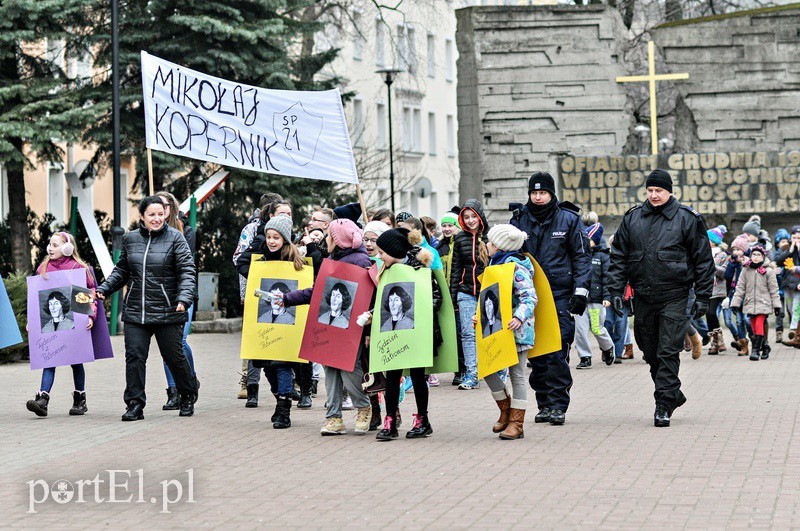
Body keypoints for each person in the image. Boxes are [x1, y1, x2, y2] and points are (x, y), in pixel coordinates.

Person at [608, 169, 714, 427]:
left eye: (659, 191)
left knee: (668, 350)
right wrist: (615, 291)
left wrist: (703, 296)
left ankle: (663, 404)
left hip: (675, 295)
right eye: (650, 191)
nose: (654, 195)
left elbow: (703, 260)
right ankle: (673, 393)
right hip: (643, 295)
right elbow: (619, 256)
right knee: (649, 349)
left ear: (669, 191)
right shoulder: (633, 218)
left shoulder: (687, 219)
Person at [96, 196, 198, 421]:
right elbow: (121, 271)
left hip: (168, 310)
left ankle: (188, 393)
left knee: (174, 357)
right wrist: (104, 288)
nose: (157, 219)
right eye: (152, 215)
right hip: (136, 311)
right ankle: (134, 404)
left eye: (160, 214)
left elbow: (187, 271)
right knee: (134, 358)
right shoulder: (131, 239)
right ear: (142, 216)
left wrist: (184, 298)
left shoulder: (176, 238)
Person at [510, 172, 591, 426]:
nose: (538, 197)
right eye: (534, 193)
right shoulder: (519, 219)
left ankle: (558, 404)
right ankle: (544, 403)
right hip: (529, 297)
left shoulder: (568, 219)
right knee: (536, 353)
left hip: (559, 294)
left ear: (551, 193)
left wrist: (581, 292)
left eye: (542, 192)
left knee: (556, 351)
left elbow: (581, 257)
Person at [282, 219, 374, 436]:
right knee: (330, 369)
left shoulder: (360, 261)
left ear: (339, 240)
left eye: (330, 236)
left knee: (350, 370)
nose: (327, 239)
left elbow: (369, 297)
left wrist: (367, 330)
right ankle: (333, 417)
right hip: (330, 324)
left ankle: (363, 407)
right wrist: (287, 299)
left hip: (352, 327)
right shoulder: (332, 258)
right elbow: (318, 291)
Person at [373, 227, 443, 440]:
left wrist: (421, 311)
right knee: (392, 375)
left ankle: (423, 419)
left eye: (382, 253)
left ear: (394, 252)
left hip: (418, 333)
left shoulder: (421, 269)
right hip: (394, 332)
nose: (378, 256)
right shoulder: (386, 272)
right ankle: (391, 419)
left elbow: (435, 298)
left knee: (417, 375)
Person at [236, 215, 305, 429]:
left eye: (276, 237)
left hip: (288, 323)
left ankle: (284, 408)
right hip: (264, 322)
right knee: (266, 367)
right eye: (268, 236)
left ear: (285, 239)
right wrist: (258, 243)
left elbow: (312, 271)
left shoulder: (295, 260)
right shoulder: (260, 257)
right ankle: (279, 396)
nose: (271, 241)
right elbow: (241, 262)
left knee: (282, 364)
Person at [25, 231, 97, 417]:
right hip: (52, 322)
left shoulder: (76, 267)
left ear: (67, 247)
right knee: (49, 359)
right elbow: (36, 296)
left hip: (73, 320)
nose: (50, 247)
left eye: (55, 245)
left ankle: (80, 399)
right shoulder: (44, 267)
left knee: (76, 360)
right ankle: (43, 399)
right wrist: (31, 321)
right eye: (50, 244)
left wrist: (90, 316)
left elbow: (89, 292)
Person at [478, 224, 537, 440]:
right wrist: (480, 314)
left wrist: (519, 316)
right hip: (494, 329)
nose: (487, 245)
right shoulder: (494, 265)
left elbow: (530, 297)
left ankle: (516, 423)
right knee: (487, 369)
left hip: (518, 331)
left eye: (491, 242)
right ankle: (505, 408)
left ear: (501, 246)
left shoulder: (516, 267)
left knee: (517, 375)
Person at [233, 192, 283, 400]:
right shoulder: (252, 230)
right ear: (269, 212)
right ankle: (249, 380)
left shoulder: (284, 230)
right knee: (254, 337)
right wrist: (255, 278)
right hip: (254, 291)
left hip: (280, 292)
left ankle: (282, 383)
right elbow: (239, 258)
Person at [156, 191, 199, 411]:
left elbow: (183, 263)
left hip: (182, 294)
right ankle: (174, 391)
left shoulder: (186, 231)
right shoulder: (148, 233)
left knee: (179, 342)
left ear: (171, 208)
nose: (159, 210)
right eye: (154, 207)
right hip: (159, 296)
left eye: (163, 206)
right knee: (168, 345)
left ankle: (189, 381)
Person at [450, 200, 490, 390]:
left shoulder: (490, 237)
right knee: (467, 333)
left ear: (480, 216)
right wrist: (453, 297)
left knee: (489, 331)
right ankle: (471, 373)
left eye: (473, 216)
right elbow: (455, 269)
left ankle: (494, 369)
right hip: (465, 292)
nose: (471, 220)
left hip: (487, 292)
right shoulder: (459, 239)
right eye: (466, 217)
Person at [574, 222, 615, 369]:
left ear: (595, 240)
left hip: (597, 299)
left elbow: (607, 278)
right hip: (580, 299)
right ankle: (585, 357)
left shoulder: (602, 256)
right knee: (580, 330)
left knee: (597, 328)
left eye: (588, 239)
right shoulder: (579, 255)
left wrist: (607, 297)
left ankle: (608, 347)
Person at [731, 244, 781, 361]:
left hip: (763, 303)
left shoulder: (768, 271)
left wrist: (777, 306)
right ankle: (765, 347)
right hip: (750, 303)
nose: (756, 257)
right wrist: (735, 303)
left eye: (759, 255)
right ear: (750, 256)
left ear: (763, 257)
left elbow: (774, 290)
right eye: (754, 254)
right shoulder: (746, 270)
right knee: (753, 328)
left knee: (759, 324)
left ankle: (755, 350)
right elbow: (740, 288)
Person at [725, 235, 753, 356]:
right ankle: (744, 346)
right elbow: (727, 276)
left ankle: (755, 338)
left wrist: (744, 264)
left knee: (747, 320)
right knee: (739, 321)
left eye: (738, 249)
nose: (736, 252)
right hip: (735, 295)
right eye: (734, 249)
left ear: (744, 250)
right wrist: (732, 264)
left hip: (747, 295)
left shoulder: (749, 262)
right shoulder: (733, 263)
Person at [775, 227, 800, 347]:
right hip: (787, 284)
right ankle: (795, 331)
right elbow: (778, 261)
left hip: (798, 284)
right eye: (794, 238)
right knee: (790, 308)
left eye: (798, 238)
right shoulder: (785, 248)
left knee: (796, 308)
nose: (796, 240)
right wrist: (790, 250)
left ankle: (793, 330)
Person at [706, 225, 729, 355]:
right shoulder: (703, 253)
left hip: (717, 289)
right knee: (708, 314)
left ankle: (718, 339)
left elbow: (724, 273)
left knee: (711, 313)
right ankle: (714, 342)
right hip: (705, 288)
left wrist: (712, 266)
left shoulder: (722, 255)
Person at [773, 229, 790, 343]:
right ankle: (779, 331)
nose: (784, 243)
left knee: (791, 310)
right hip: (779, 288)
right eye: (781, 241)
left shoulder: (791, 253)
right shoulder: (776, 255)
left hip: (788, 286)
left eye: (785, 241)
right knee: (780, 312)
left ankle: (793, 330)